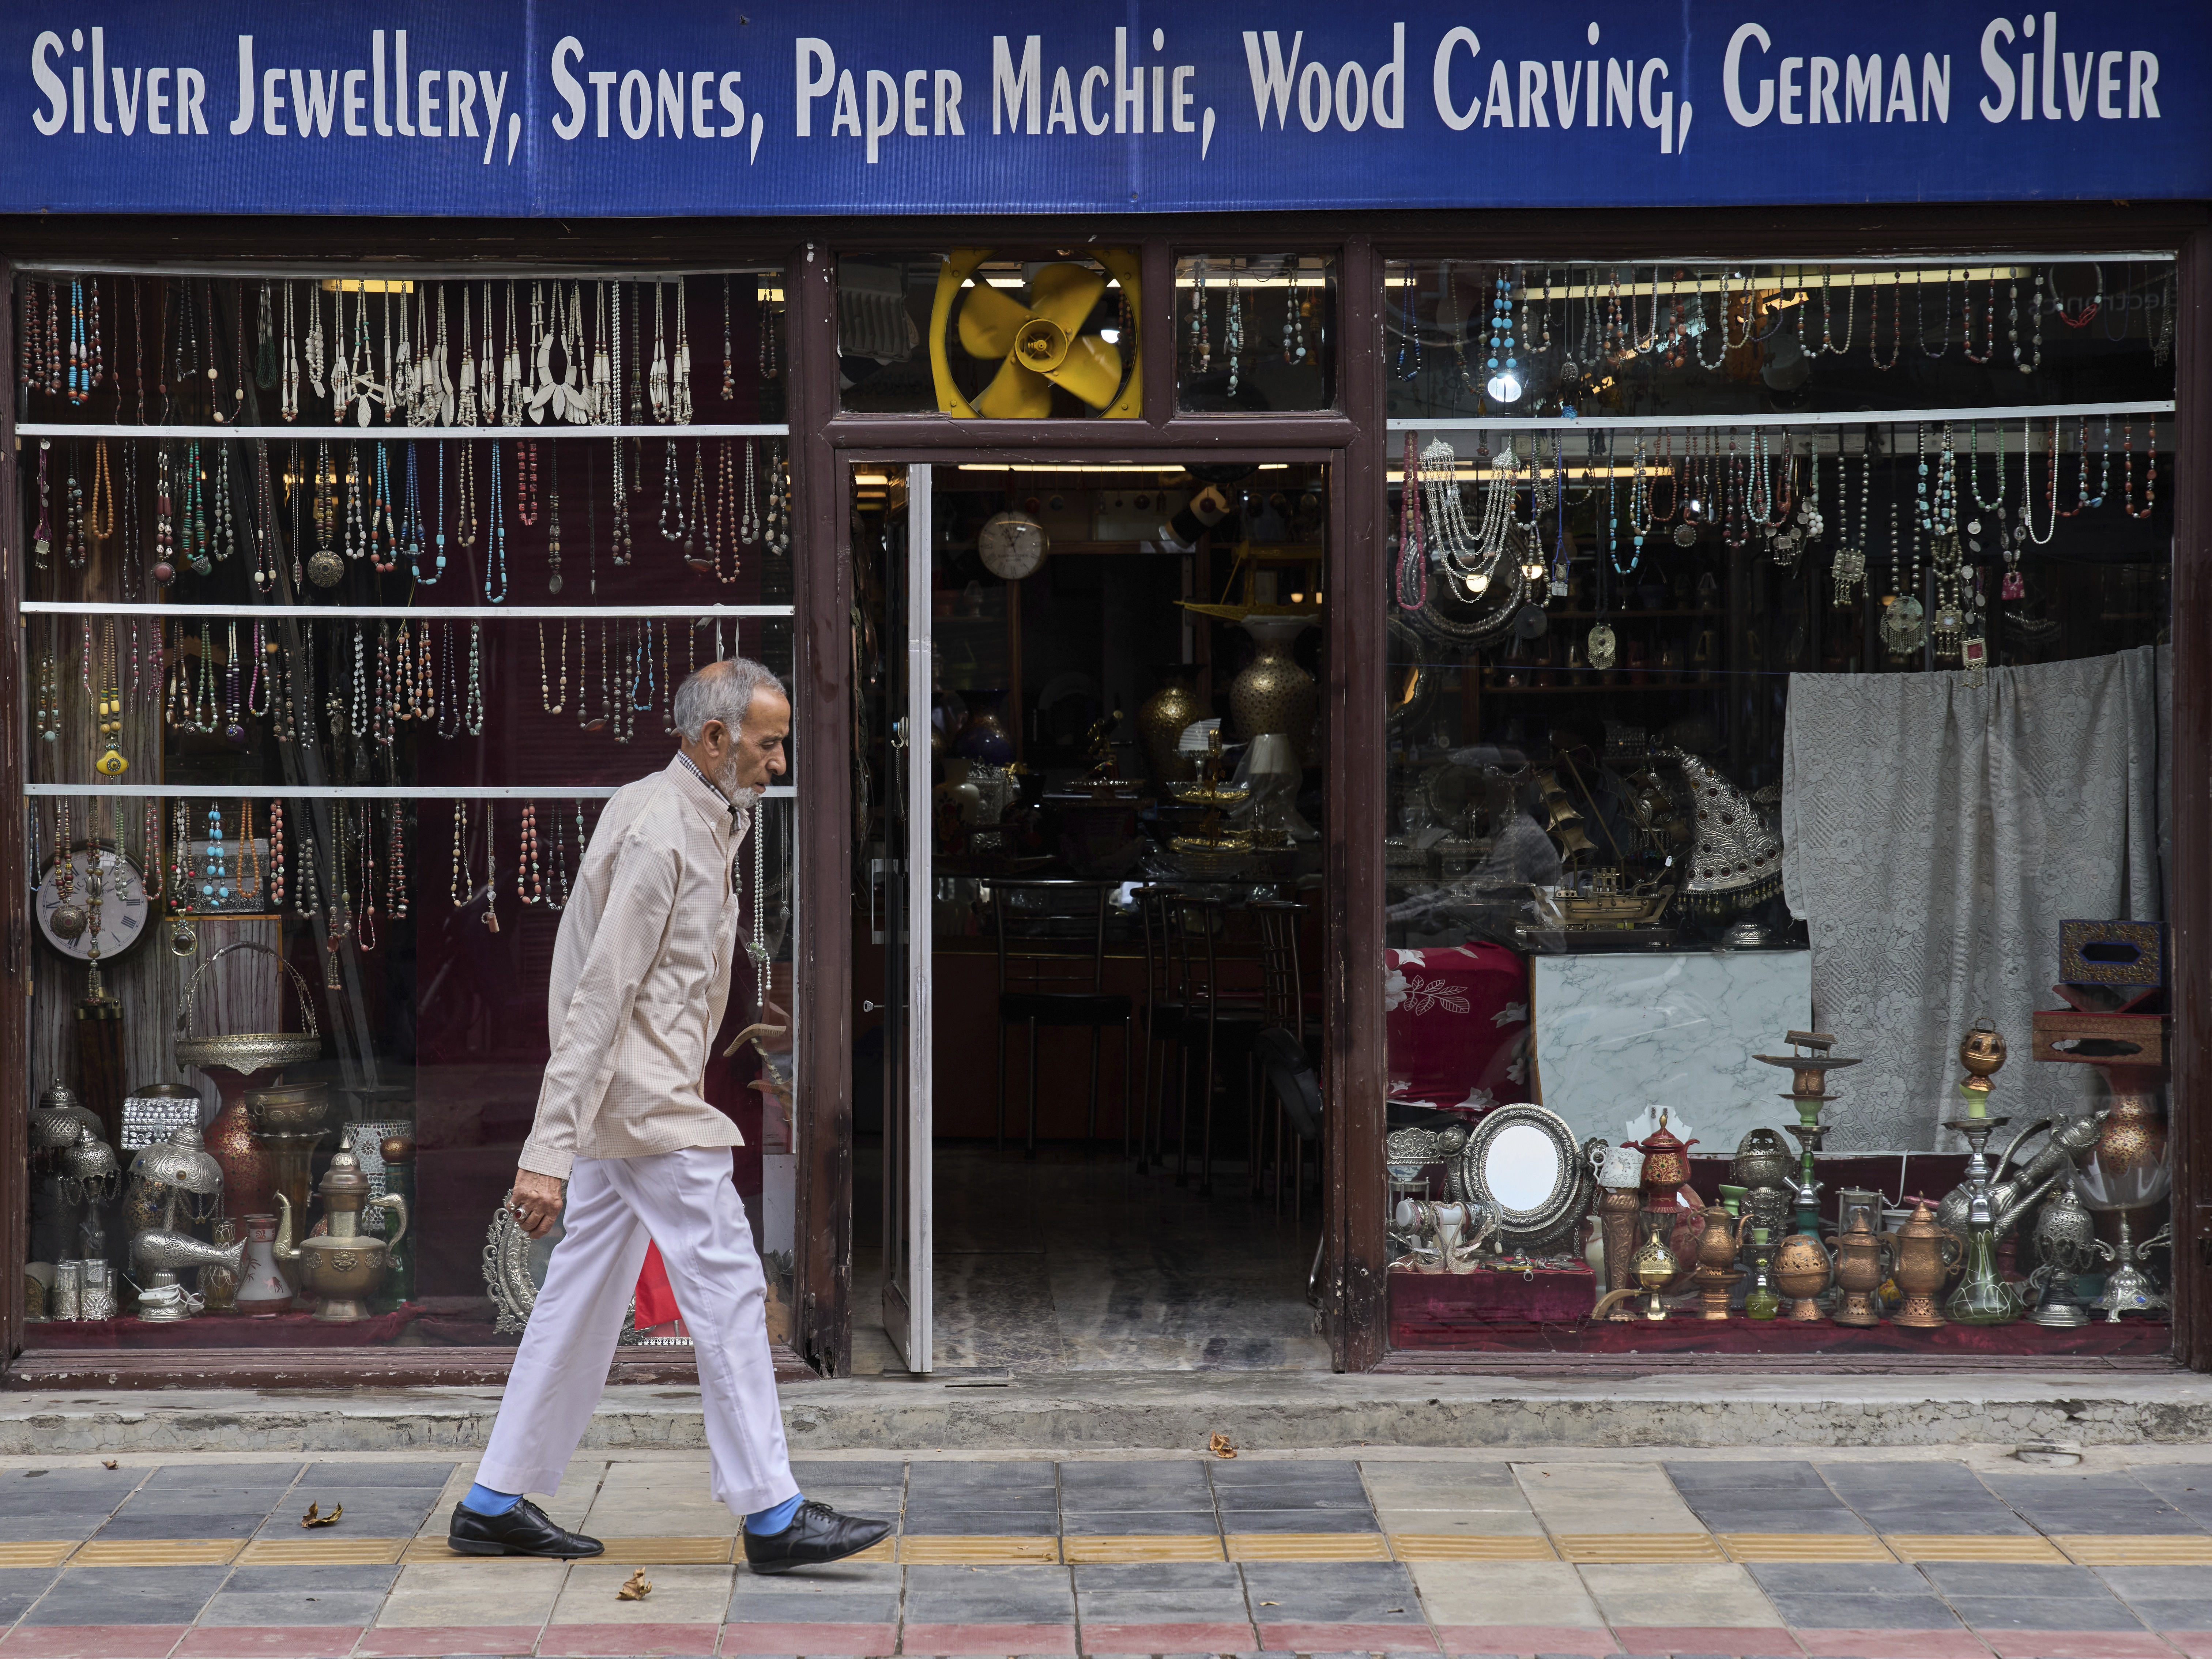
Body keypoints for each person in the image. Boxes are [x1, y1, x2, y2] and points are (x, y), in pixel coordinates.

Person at [449, 657, 890, 1574]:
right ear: (715, 739)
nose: (778, 763)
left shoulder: (696, 811)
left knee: (578, 1298)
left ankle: (495, 1498)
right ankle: (772, 1513)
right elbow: (596, 1002)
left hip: (637, 1099)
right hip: (644, 1104)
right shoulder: (662, 831)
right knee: (729, 1293)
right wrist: (546, 1154)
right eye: (768, 745)